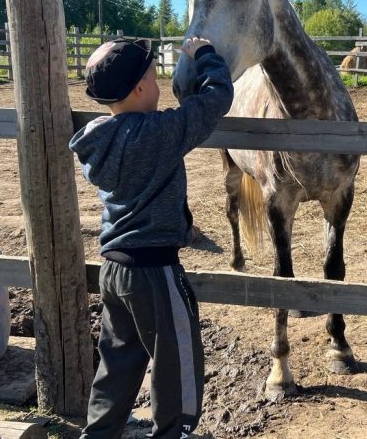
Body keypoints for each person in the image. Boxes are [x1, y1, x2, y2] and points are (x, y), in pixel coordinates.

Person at [70, 36, 233, 438]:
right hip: (154, 270)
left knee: (117, 361)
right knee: (177, 363)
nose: (159, 84)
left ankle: (101, 431)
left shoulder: (97, 137)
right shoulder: (159, 133)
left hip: (114, 267)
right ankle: (174, 432)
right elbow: (216, 100)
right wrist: (205, 57)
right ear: (141, 88)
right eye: (153, 76)